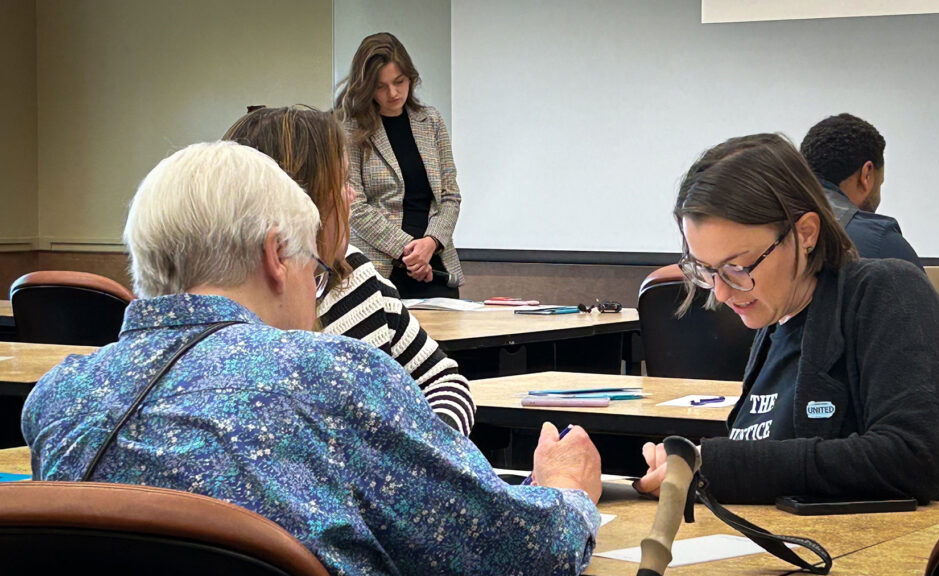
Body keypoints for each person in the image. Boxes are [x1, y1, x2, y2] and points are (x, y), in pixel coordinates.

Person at [22, 141, 602, 574]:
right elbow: (521, 554)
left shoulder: (60, 399)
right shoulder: (333, 373)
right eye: (315, 271)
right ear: (276, 254)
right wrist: (565, 490)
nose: (314, 290)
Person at [633, 134, 939, 504]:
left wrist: (719, 464)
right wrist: (688, 464)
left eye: (737, 267)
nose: (722, 293)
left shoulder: (887, 291)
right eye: (706, 270)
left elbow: (912, 460)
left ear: (805, 232)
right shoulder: (774, 323)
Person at [224, 106, 475, 435]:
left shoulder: (355, 272)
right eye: (341, 182)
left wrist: (426, 450)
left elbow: (443, 381)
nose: (351, 195)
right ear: (303, 200)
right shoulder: (240, 319)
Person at [800, 113, 939, 365]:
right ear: (867, 175)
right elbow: (933, 335)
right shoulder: (876, 239)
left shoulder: (771, 229)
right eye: (880, 183)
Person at [337, 32, 463, 298]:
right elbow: (354, 206)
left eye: (399, 82)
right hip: (380, 269)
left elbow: (450, 196)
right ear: (366, 86)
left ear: (411, 78)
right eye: (381, 86)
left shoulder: (431, 121)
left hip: (435, 265)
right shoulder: (349, 129)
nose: (393, 93)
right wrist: (410, 251)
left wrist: (430, 245)